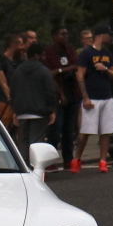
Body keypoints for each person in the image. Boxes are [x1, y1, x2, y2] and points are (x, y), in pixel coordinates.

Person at [73, 23, 113, 173]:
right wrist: (85, 98)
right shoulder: (86, 53)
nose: (110, 38)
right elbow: (79, 75)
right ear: (102, 35)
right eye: (109, 35)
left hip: (106, 96)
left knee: (106, 131)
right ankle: (76, 159)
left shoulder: (108, 54)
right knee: (86, 131)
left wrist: (105, 69)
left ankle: (103, 161)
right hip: (92, 97)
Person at [10, 41, 57, 158]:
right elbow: (50, 92)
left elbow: (13, 91)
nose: (44, 57)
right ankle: (35, 169)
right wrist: (52, 110)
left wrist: (15, 110)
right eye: (43, 55)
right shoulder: (43, 70)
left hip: (22, 111)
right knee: (36, 143)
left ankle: (25, 169)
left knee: (24, 142)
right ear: (36, 55)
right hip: (39, 111)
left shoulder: (18, 71)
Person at [43, 26, 79, 157]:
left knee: (69, 130)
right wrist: (64, 70)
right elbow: (48, 73)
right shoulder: (49, 52)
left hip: (73, 93)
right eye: (62, 34)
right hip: (56, 95)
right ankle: (51, 160)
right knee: (55, 128)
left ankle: (68, 159)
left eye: (67, 34)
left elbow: (76, 66)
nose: (66, 37)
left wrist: (60, 71)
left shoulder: (70, 50)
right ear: (55, 36)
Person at [0, 33, 20, 127]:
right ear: (14, 45)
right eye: (20, 44)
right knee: (4, 127)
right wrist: (10, 98)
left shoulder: (17, 62)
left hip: (15, 101)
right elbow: (3, 83)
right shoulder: (0, 61)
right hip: (5, 101)